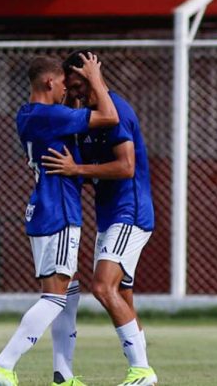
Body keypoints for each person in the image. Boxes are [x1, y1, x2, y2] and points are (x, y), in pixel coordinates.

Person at [0, 53, 118, 386]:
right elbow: (110, 116)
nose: (66, 92)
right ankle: (4, 363)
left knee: (67, 291)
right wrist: (95, 77)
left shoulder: (27, 114)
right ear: (49, 82)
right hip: (58, 212)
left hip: (43, 209)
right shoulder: (51, 116)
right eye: (62, 85)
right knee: (55, 296)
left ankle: (63, 374)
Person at [42, 52, 158, 386]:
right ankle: (141, 370)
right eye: (71, 89)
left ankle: (142, 372)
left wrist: (77, 169)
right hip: (110, 216)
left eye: (80, 84)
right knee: (122, 295)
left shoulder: (116, 111)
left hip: (130, 212)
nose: (77, 94)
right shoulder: (87, 117)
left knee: (102, 287)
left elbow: (126, 167)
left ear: (95, 76)